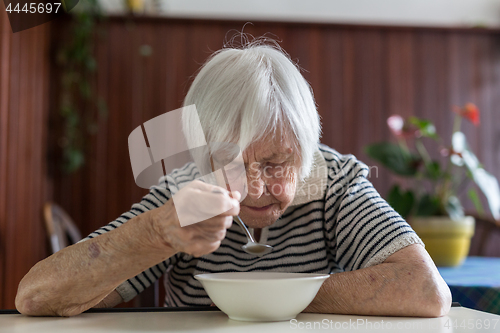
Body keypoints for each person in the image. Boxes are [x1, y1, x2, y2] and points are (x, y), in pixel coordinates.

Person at [16, 38, 451, 317]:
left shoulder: (333, 180)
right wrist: (157, 233)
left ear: (308, 148)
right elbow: (34, 297)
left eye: (278, 163)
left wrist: (256, 301)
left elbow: (425, 290)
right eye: (230, 162)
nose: (257, 188)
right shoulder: (183, 190)